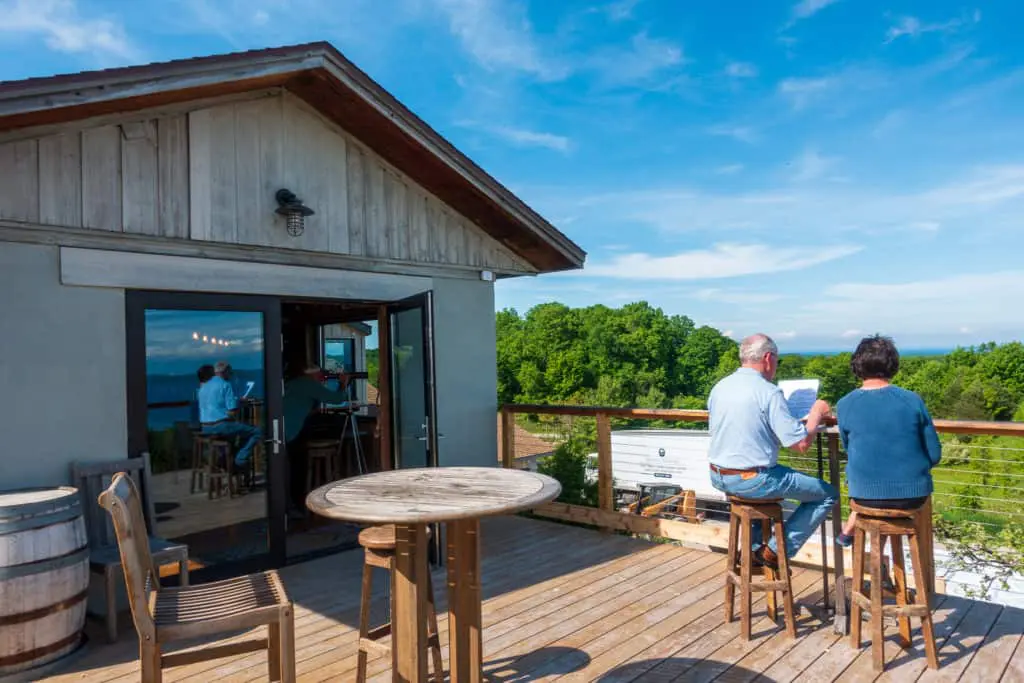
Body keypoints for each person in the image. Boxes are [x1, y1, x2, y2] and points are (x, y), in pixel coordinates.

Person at [707, 333, 837, 569]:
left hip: (718, 475)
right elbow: (800, 445)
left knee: (763, 491)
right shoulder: (768, 392)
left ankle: (753, 549)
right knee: (827, 494)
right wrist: (817, 413)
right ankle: (775, 552)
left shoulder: (720, 387)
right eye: (777, 360)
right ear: (768, 358)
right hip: (752, 480)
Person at [834, 335, 942, 546]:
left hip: (864, 497)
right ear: (892, 364)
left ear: (857, 366)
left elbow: (850, 449)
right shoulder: (911, 400)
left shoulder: (844, 404)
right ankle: (881, 567)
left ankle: (874, 567)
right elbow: (935, 454)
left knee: (871, 511)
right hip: (912, 496)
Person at [283, 364, 358, 513]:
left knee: (288, 468)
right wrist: (343, 384)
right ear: (315, 375)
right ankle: (299, 504)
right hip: (294, 431)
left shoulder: (293, 384)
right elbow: (337, 399)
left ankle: (291, 503)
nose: (323, 378)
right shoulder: (309, 384)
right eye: (321, 375)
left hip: (282, 430)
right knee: (298, 468)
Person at [198, 361, 262, 468]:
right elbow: (232, 411)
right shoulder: (225, 384)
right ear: (226, 372)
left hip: (205, 428)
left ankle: (224, 462)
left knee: (235, 434)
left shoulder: (203, 386)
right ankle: (239, 460)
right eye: (230, 373)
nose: (231, 376)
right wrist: (239, 403)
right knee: (256, 432)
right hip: (220, 426)